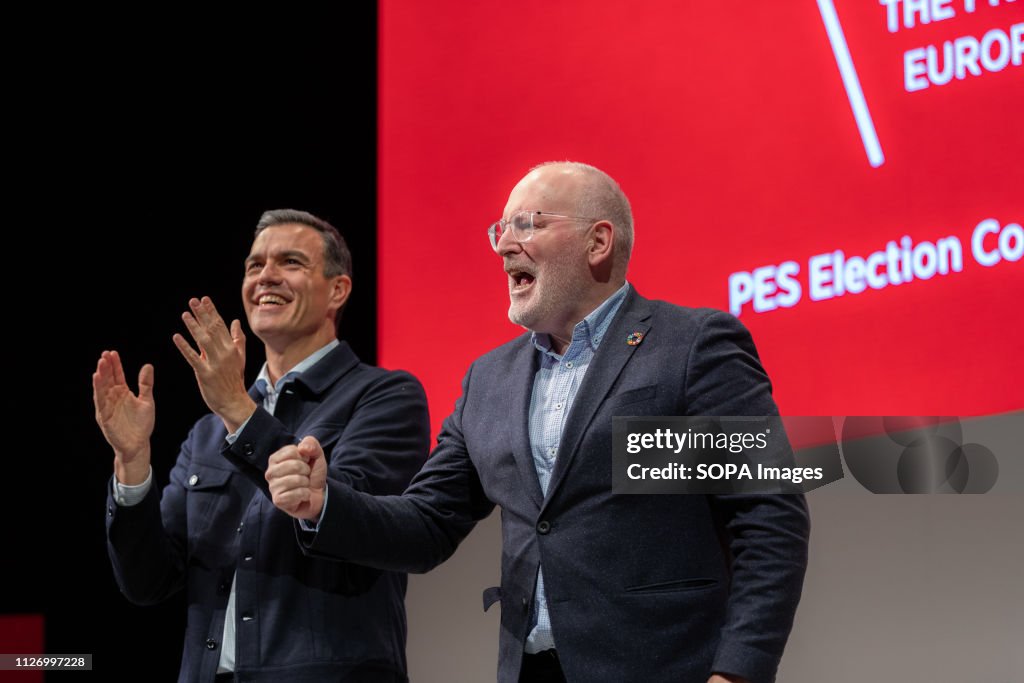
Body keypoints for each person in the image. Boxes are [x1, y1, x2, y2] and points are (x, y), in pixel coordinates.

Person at [267, 164, 810, 683]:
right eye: (501, 229)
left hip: (666, 665)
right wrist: (324, 505)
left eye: (528, 224)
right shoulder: (489, 379)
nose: (504, 245)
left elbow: (769, 517)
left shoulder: (693, 346)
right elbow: (428, 523)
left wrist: (740, 668)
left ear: (598, 243)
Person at [93, 209, 430, 682]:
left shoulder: (385, 396)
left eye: (290, 262)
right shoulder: (208, 433)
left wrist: (236, 408)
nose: (265, 276)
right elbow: (149, 583)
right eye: (254, 266)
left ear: (338, 290)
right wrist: (132, 464)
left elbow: (351, 520)